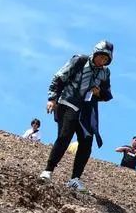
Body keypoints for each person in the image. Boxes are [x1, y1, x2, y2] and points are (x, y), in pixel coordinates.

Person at [39, 40, 114, 192]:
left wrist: (99, 92)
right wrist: (52, 99)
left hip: (87, 110)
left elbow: (107, 95)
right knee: (65, 136)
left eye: (106, 60)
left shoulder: (105, 73)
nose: (103, 61)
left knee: (86, 142)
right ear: (95, 53)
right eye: (101, 57)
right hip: (68, 102)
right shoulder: (79, 60)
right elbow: (59, 77)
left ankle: (75, 179)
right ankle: (48, 170)